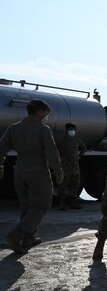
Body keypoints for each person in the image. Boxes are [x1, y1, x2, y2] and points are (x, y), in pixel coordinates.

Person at [0, 99, 63, 254]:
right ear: (40, 111)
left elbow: (1, 149)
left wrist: (0, 165)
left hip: (19, 171)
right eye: (46, 112)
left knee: (26, 206)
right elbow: (52, 153)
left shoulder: (13, 128)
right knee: (40, 206)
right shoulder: (43, 129)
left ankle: (28, 239)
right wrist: (58, 171)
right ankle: (16, 235)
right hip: (38, 172)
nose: (47, 115)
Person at [56, 123, 87, 210]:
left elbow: (84, 148)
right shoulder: (61, 140)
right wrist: (60, 158)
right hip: (65, 165)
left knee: (75, 183)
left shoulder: (77, 139)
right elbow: (54, 150)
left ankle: (72, 202)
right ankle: (62, 203)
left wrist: (79, 156)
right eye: (70, 129)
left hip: (74, 165)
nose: (72, 131)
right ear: (66, 130)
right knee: (63, 183)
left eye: (73, 129)